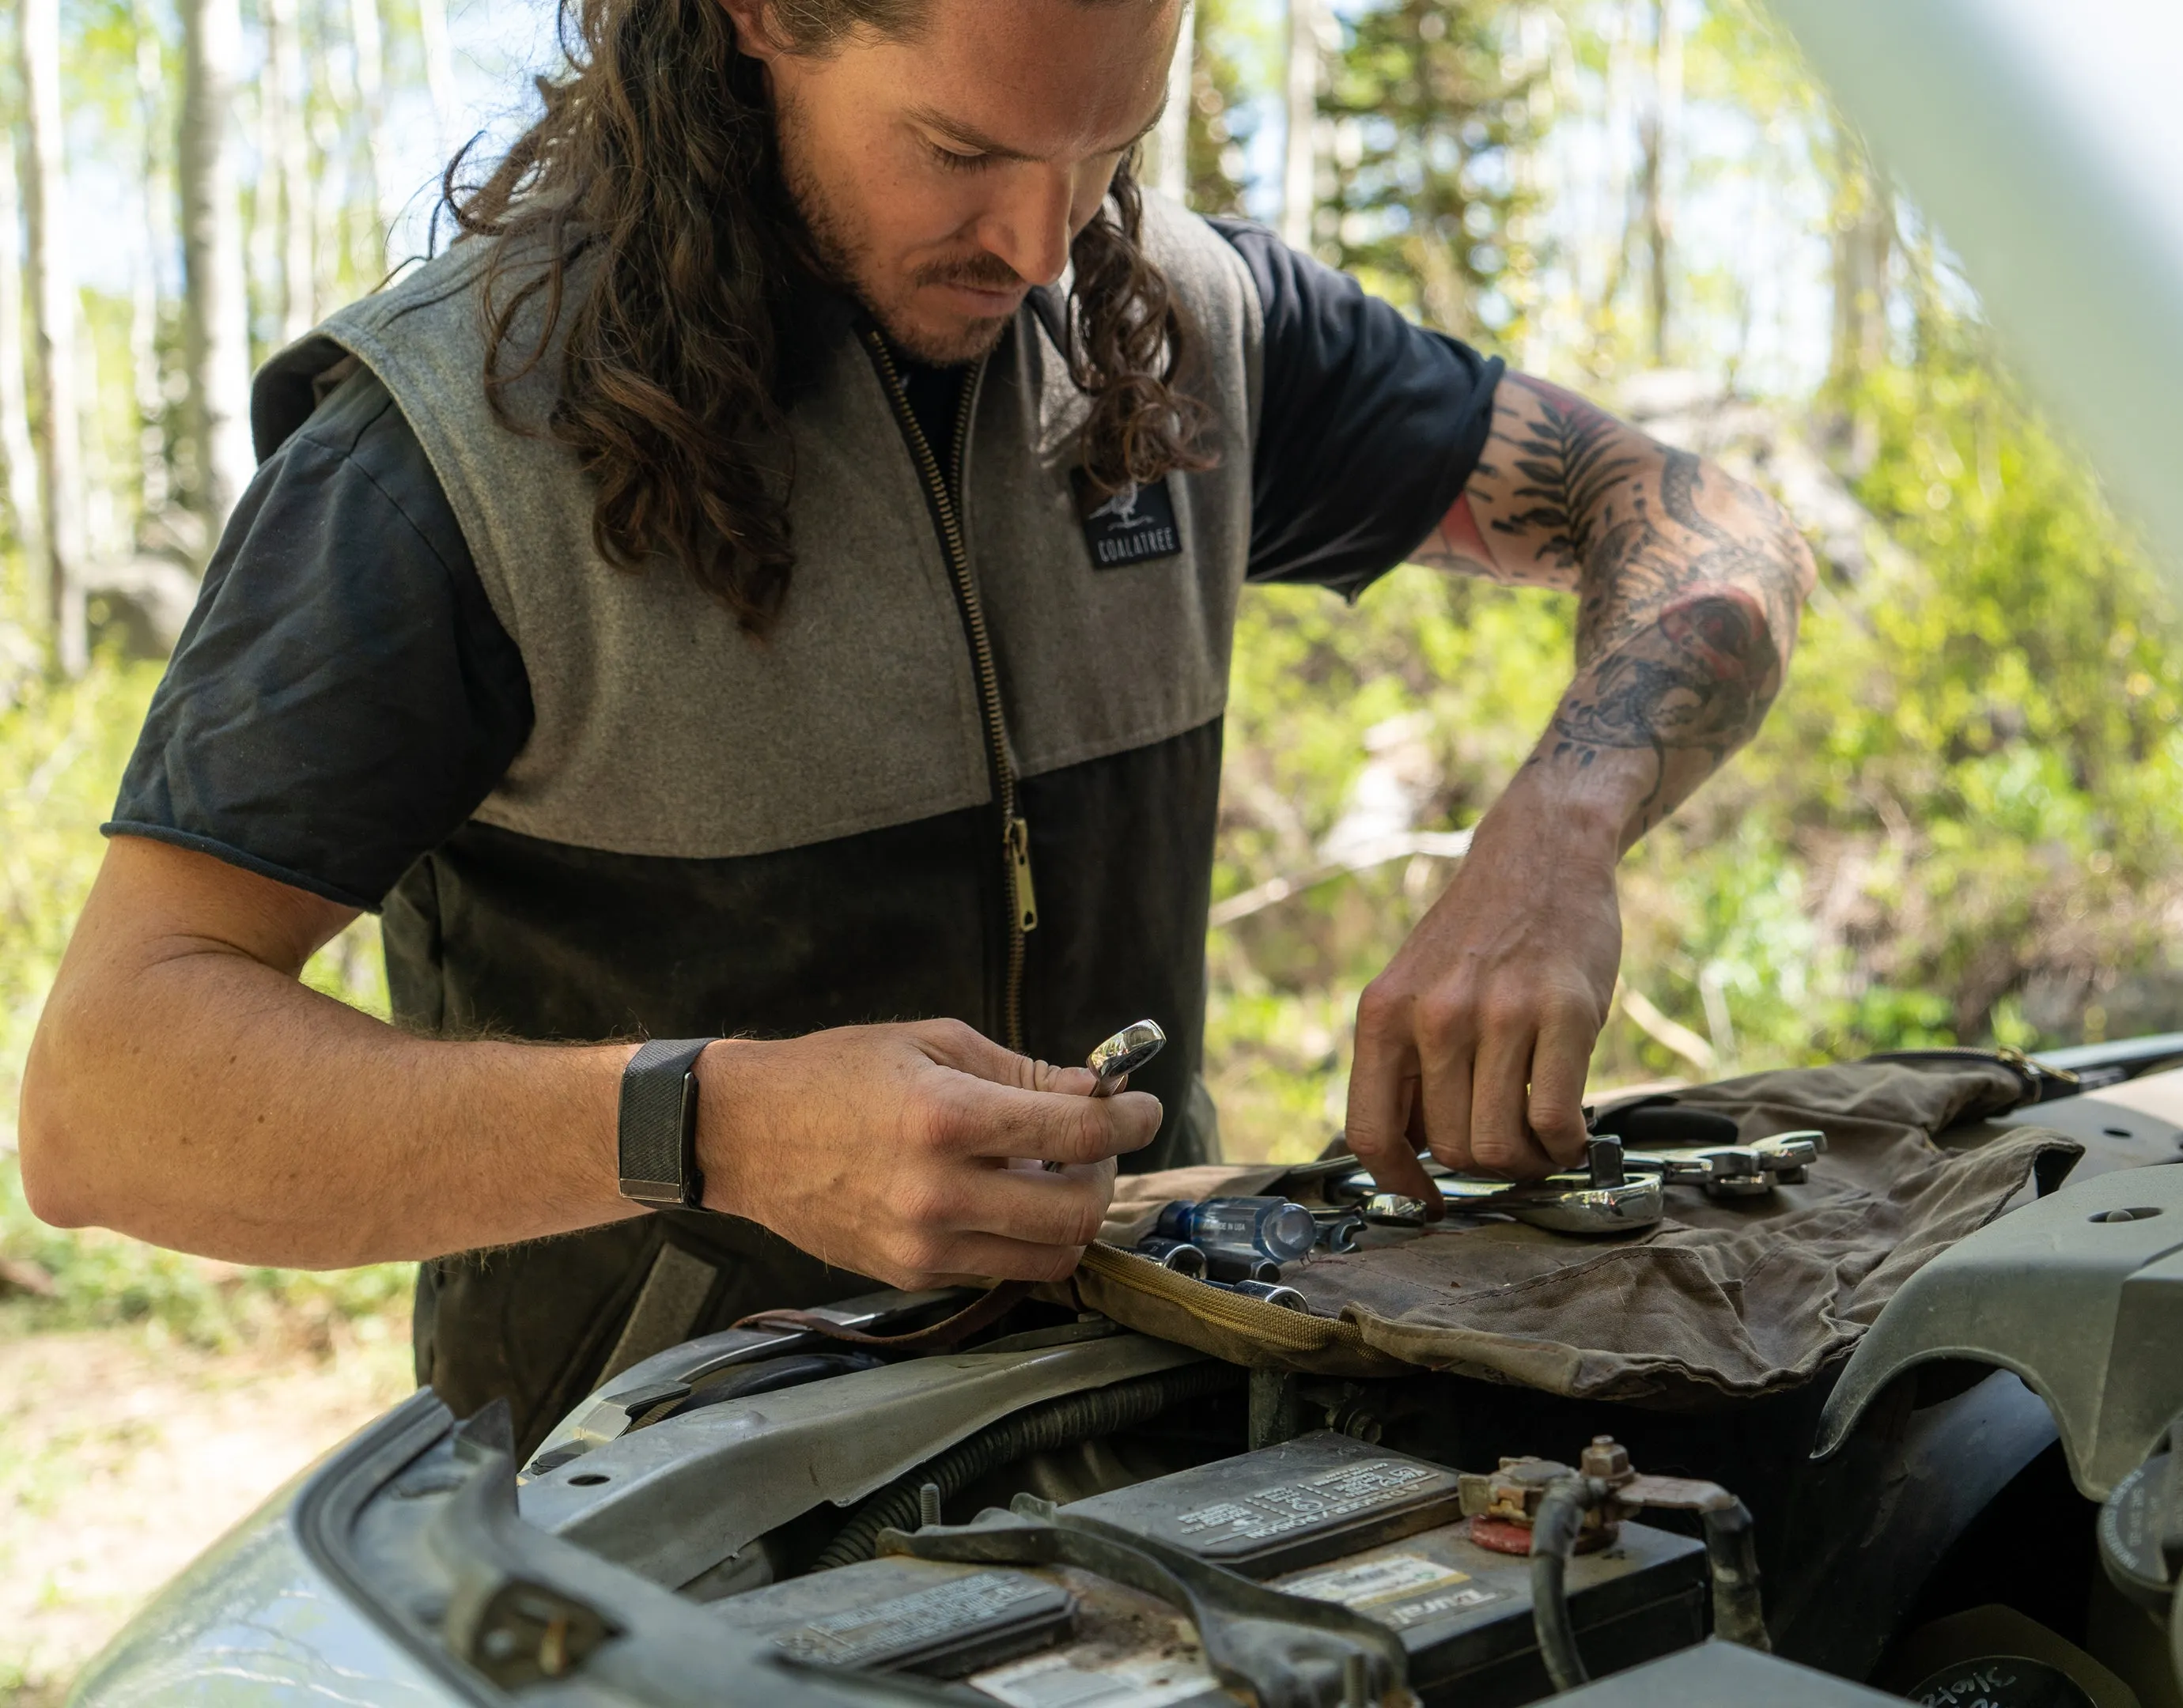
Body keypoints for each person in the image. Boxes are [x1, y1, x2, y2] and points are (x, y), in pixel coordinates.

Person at [17, 0, 1816, 1442]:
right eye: (960, 149)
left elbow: (1697, 519)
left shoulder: (1182, 327)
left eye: (1108, 147)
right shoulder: (453, 451)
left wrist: (1557, 839)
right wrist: (714, 1128)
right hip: (649, 1540)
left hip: (1169, 1460)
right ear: (755, 23)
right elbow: (111, 1101)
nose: (1041, 243)